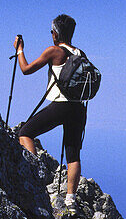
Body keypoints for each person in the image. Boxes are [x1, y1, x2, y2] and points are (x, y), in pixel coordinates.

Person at [14, 14, 87, 208]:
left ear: (55, 33)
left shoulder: (54, 51)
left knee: (25, 133)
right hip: (79, 108)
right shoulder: (81, 54)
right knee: (73, 154)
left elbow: (26, 69)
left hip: (60, 105)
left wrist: (20, 50)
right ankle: (70, 199)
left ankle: (35, 176)